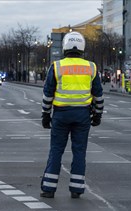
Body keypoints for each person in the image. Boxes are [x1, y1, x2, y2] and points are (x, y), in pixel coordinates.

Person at [40, 31, 104, 199]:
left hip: (61, 115)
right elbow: (98, 94)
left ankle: (48, 188)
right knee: (79, 152)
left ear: (65, 47)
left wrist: (45, 116)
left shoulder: (56, 66)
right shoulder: (91, 67)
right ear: (82, 47)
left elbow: (48, 94)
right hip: (82, 115)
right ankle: (76, 189)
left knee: (56, 151)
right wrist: (97, 115)